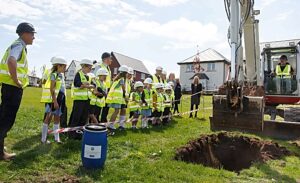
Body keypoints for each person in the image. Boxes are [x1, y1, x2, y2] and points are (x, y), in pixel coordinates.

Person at [0, 22, 35, 160]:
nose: (33, 37)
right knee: (6, 120)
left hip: (9, 87)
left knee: (3, 117)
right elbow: (11, 61)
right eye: (32, 34)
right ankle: (0, 154)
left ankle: (0, 146)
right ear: (24, 33)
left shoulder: (17, 45)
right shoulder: (19, 45)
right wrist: (16, 80)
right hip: (12, 88)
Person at [40, 57, 67, 144]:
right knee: (48, 117)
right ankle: (43, 139)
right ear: (59, 66)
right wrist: (55, 101)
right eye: (64, 67)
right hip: (53, 100)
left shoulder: (60, 75)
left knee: (57, 118)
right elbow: (52, 89)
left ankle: (57, 138)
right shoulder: (53, 74)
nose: (65, 69)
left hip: (60, 98)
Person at [68, 59, 94, 139]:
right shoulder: (78, 74)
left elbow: (93, 85)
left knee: (84, 117)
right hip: (79, 100)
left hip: (87, 100)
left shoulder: (89, 76)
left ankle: (80, 133)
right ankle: (72, 134)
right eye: (89, 67)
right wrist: (86, 85)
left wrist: (87, 85)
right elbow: (77, 84)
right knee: (76, 116)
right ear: (84, 66)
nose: (90, 69)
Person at [105, 65, 128, 130]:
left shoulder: (116, 78)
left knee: (116, 111)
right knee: (116, 111)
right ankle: (110, 124)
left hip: (114, 97)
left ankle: (110, 124)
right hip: (117, 98)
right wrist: (125, 97)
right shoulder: (122, 79)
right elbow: (123, 89)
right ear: (125, 73)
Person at [94, 52, 112, 123]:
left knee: (105, 108)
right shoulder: (99, 66)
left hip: (106, 90)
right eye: (110, 58)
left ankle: (103, 122)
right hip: (99, 90)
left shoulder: (108, 68)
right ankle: (96, 122)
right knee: (97, 109)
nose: (111, 60)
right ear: (106, 59)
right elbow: (95, 78)